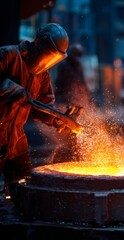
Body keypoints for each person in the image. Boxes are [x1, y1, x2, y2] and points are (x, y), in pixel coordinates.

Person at [0, 23, 71, 199]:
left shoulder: (42, 74)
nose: (47, 61)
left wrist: (58, 120)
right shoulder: (8, 55)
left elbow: (42, 105)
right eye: (48, 54)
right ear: (38, 42)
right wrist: (12, 89)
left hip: (15, 139)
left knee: (24, 187)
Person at [51, 43, 90, 163]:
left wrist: (87, 98)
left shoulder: (78, 65)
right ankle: (63, 154)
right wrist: (60, 99)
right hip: (65, 100)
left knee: (76, 126)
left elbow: (82, 82)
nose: (78, 58)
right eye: (76, 55)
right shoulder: (64, 65)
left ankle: (74, 152)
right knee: (66, 127)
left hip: (76, 99)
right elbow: (59, 83)